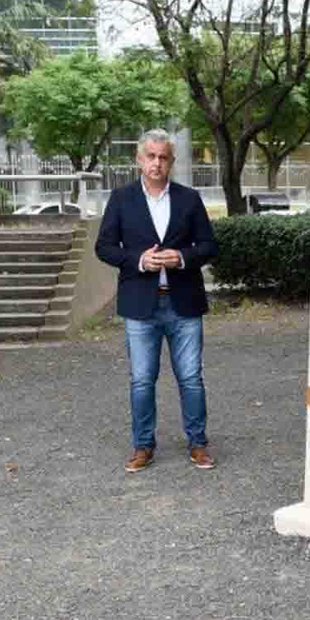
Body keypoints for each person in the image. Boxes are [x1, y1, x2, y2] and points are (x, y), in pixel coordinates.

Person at [95, 128, 219, 473]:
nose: (156, 163)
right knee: (141, 379)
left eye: (163, 157)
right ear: (139, 159)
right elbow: (103, 247)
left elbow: (209, 246)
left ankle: (198, 443)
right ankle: (143, 446)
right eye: (150, 156)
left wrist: (181, 257)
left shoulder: (189, 199)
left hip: (184, 303)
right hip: (140, 305)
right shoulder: (121, 199)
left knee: (191, 377)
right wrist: (138, 260)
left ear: (172, 162)